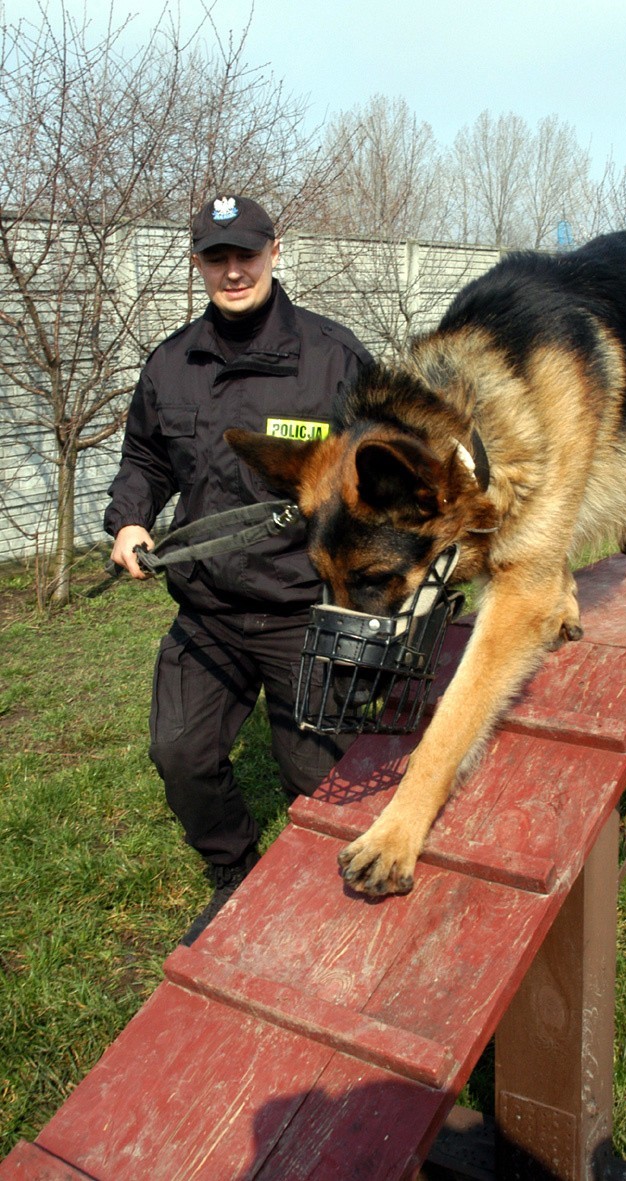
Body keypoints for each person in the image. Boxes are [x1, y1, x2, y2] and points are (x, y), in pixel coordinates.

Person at [105, 195, 372, 944]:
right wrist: (130, 516)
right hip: (210, 609)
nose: (233, 270)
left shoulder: (333, 357)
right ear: (198, 263)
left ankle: (323, 901)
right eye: (216, 257)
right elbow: (146, 457)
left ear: (275, 250)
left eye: (246, 253)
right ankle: (236, 873)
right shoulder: (171, 364)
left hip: (302, 609)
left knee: (321, 782)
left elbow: (380, 460)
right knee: (180, 755)